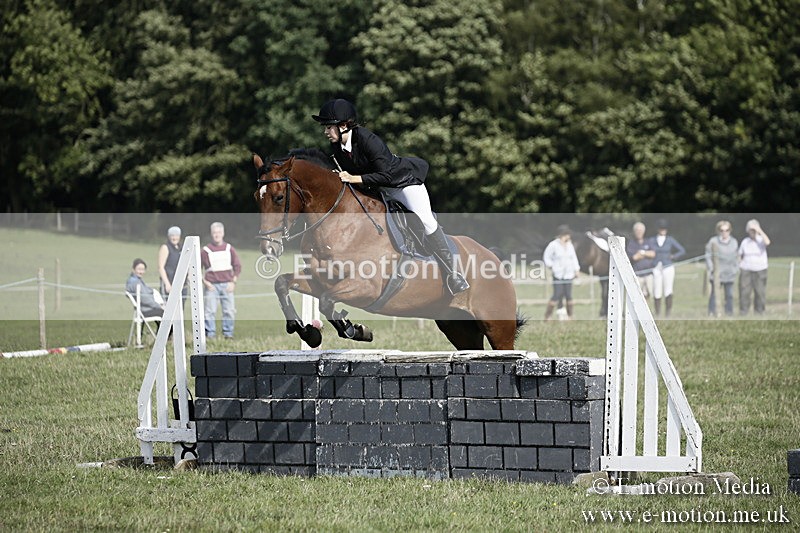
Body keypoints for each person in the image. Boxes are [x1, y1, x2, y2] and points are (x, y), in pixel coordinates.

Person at [311, 98, 469, 295]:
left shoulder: (368, 140)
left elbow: (386, 174)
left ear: (343, 126)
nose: (325, 132)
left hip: (402, 184)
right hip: (376, 188)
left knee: (426, 221)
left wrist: (354, 177)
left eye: (328, 127)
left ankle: (453, 274)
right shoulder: (337, 146)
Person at [201, 222, 242, 339]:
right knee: (209, 311)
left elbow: (237, 266)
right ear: (211, 234)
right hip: (211, 286)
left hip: (227, 285)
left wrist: (233, 282)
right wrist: (205, 282)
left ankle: (228, 334)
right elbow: (196, 268)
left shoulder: (229, 249)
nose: (216, 235)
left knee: (229, 311)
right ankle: (210, 335)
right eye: (214, 233)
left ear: (223, 233)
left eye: (218, 232)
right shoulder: (205, 250)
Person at [648, 219, 685, 317]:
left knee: (668, 289)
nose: (662, 230)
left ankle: (668, 313)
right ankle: (658, 313)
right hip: (656, 267)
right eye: (661, 228)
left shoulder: (670, 240)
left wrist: (673, 256)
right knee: (657, 290)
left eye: (664, 228)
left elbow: (682, 250)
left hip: (668, 266)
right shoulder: (652, 240)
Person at [543, 225, 580, 320]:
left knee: (569, 295)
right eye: (568, 234)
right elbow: (546, 257)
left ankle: (570, 315)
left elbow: (573, 258)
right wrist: (552, 266)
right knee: (557, 294)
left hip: (568, 274)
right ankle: (548, 316)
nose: (569, 236)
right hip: (558, 274)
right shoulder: (553, 245)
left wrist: (576, 269)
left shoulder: (570, 245)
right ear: (563, 234)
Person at [704, 220, 739, 317]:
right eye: (722, 230)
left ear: (730, 230)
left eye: (727, 230)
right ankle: (712, 313)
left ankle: (729, 313)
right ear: (718, 230)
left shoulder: (734, 242)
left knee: (729, 295)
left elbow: (737, 256)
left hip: (729, 273)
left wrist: (735, 268)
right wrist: (712, 268)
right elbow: (708, 256)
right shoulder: (713, 241)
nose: (724, 232)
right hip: (716, 274)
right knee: (714, 295)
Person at [738, 219, 770, 315]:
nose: (752, 232)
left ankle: (759, 312)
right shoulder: (745, 241)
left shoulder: (761, 240)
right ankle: (743, 312)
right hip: (746, 270)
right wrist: (740, 264)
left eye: (754, 230)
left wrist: (758, 230)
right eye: (750, 230)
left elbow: (768, 242)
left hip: (760, 270)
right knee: (744, 292)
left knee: (760, 292)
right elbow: (740, 254)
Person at [626, 222, 655, 300]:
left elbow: (653, 254)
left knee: (647, 295)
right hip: (637, 274)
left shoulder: (648, 241)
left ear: (644, 231)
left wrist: (642, 253)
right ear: (634, 232)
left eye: (640, 230)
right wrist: (645, 254)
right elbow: (634, 257)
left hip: (648, 274)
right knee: (637, 296)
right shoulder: (631, 243)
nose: (639, 232)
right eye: (637, 230)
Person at [157, 226, 185, 300]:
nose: (174, 238)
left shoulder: (182, 248)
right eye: (172, 235)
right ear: (169, 236)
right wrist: (167, 284)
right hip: (169, 282)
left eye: (176, 235)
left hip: (181, 284)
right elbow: (161, 267)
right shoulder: (165, 247)